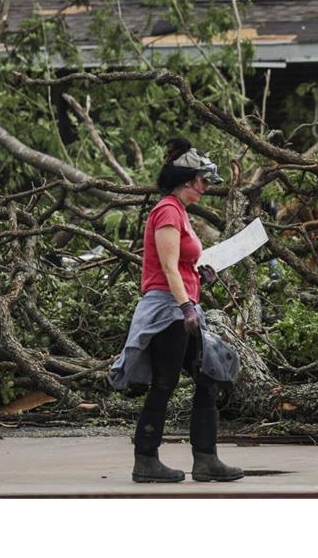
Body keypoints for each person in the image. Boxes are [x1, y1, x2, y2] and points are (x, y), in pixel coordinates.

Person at [108, 138, 244, 483]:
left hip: (182, 306)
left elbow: (180, 266)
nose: (205, 188)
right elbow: (167, 267)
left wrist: (200, 273)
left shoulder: (179, 212)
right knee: (165, 382)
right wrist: (186, 306)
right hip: (168, 311)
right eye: (202, 181)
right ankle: (146, 460)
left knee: (208, 375)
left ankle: (206, 459)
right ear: (186, 180)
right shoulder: (167, 210)